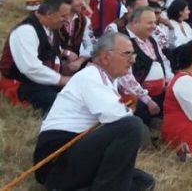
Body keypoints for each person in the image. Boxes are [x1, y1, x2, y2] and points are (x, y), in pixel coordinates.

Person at [33, 32, 155, 191]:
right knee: (131, 126)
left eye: (133, 54)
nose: (132, 60)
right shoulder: (90, 76)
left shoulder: (107, 80)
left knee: (144, 181)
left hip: (76, 154)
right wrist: (127, 111)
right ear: (105, 58)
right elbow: (115, 116)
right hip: (57, 160)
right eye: (127, 54)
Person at [0, 0, 74, 114]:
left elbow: (51, 50)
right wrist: (61, 79)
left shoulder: (51, 27)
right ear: (49, 13)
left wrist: (66, 56)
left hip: (41, 80)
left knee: (75, 94)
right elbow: (30, 68)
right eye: (63, 16)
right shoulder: (25, 31)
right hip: (22, 83)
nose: (67, 20)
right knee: (61, 104)